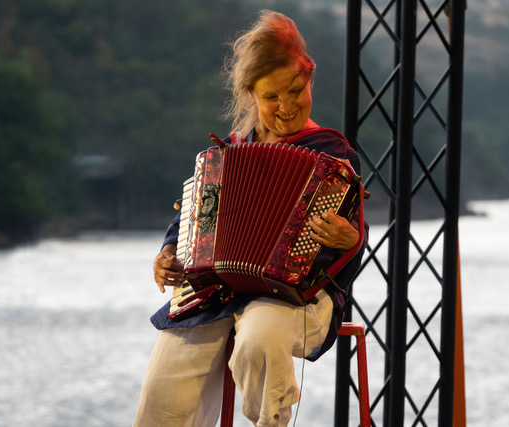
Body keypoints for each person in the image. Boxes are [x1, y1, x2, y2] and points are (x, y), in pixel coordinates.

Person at [133, 10, 368, 427]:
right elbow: (193, 222)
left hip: (301, 299)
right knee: (163, 386)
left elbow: (346, 261)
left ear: (309, 76)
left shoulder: (333, 156)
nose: (286, 107)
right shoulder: (229, 153)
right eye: (271, 97)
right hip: (218, 296)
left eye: (295, 90)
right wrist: (169, 252)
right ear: (251, 96)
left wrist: (349, 241)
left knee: (260, 337)